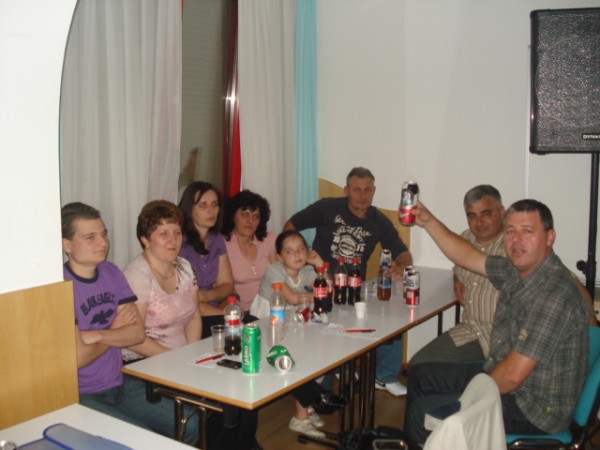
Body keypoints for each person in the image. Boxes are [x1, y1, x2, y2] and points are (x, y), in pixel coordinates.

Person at [404, 199, 589, 445]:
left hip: (534, 408)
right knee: (421, 374)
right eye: (510, 231)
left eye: (527, 231)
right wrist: (427, 220)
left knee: (422, 413)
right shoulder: (518, 270)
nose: (516, 240)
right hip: (509, 380)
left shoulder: (553, 295)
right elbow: (467, 256)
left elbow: (512, 376)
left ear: (549, 237)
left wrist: (465, 402)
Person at [124, 200, 260, 450]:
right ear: (145, 239)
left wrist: (194, 355)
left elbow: (193, 315)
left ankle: (244, 444)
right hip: (145, 362)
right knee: (213, 405)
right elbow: (134, 339)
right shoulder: (137, 276)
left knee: (241, 386)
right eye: (163, 233)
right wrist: (178, 360)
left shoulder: (184, 267)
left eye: (177, 232)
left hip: (181, 354)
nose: (172, 240)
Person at [61, 202, 197, 444]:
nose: (103, 243)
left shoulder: (111, 273)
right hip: (82, 394)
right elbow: (77, 358)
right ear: (66, 245)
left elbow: (135, 334)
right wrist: (115, 329)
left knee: (190, 423)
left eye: (103, 234)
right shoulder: (60, 286)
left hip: (120, 381)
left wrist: (98, 334)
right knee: (141, 440)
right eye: (90, 237)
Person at [284, 167, 413, 396]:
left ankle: (384, 376)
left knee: (392, 311)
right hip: (318, 284)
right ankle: (332, 371)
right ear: (346, 191)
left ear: (374, 191)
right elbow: (291, 225)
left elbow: (403, 254)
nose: (362, 195)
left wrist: (401, 267)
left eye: (367, 190)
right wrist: (296, 256)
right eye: (356, 190)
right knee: (322, 385)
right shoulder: (328, 207)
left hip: (354, 288)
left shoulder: (378, 221)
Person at [258, 230, 342, 439]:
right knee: (301, 359)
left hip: (292, 323)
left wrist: (319, 264)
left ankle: (307, 407)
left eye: (301, 249)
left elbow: (329, 290)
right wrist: (318, 294)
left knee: (318, 356)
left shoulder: (306, 271)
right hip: (268, 326)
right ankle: (300, 417)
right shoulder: (274, 270)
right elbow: (293, 299)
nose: (297, 255)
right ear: (279, 256)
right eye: (289, 251)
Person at [409, 185, 505, 366]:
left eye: (485, 214)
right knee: (419, 365)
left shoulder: (515, 245)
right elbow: (459, 263)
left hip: (504, 338)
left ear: (501, 212)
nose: (479, 222)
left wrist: (429, 221)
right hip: (471, 331)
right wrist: (457, 278)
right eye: (472, 216)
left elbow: (471, 259)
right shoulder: (465, 239)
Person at [179, 182, 235, 337]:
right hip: (188, 318)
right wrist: (226, 316)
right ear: (189, 209)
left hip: (214, 311)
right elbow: (186, 301)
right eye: (203, 205)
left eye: (214, 204)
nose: (211, 211)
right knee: (240, 328)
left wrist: (205, 296)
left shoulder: (216, 239)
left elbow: (227, 285)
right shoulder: (179, 243)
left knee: (253, 324)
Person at [222, 190, 277, 312]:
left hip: (272, 308)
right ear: (233, 216)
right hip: (242, 312)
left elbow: (281, 275)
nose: (250, 221)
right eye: (244, 215)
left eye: (256, 216)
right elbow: (224, 287)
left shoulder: (269, 240)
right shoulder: (223, 244)